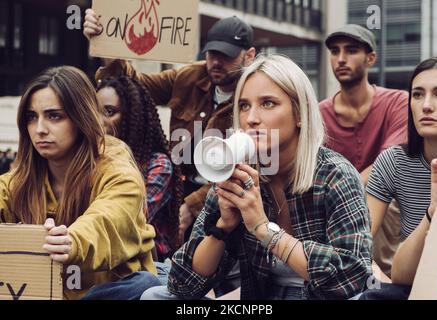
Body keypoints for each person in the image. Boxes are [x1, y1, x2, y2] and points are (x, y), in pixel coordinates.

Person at [141, 54, 372, 300]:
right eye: (244, 106)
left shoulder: (334, 174)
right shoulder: (237, 174)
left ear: (299, 114)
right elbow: (181, 285)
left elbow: (353, 276)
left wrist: (264, 230)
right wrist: (223, 228)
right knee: (156, 296)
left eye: (268, 103)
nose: (251, 118)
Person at [84, 12, 257, 242]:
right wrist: (107, 45)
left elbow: (255, 167)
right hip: (177, 190)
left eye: (227, 56)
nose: (216, 62)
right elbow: (135, 87)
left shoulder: (255, 94)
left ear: (249, 56)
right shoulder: (189, 77)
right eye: (212, 53)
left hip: (227, 198)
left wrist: (191, 206)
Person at [0, 66, 160, 300]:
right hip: (41, 294)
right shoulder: (20, 179)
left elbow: (107, 219)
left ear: (81, 118)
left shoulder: (119, 172)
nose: (40, 129)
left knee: (143, 285)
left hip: (111, 293)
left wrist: (72, 242)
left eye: (54, 116)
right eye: (32, 117)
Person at [320, 24, 408, 277]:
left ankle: (387, 280)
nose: (341, 59)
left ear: (370, 58)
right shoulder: (319, 114)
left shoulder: (397, 102)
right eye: (335, 51)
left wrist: (347, 187)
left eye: (351, 50)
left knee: (381, 198)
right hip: (333, 205)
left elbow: (389, 162)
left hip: (387, 205)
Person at [359, 57, 437, 299]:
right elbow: (398, 273)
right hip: (416, 284)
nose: (426, 105)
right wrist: (433, 211)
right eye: (418, 95)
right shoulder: (394, 162)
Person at [96, 76, 183, 262]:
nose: (98, 121)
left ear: (131, 116)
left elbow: (128, 220)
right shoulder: (88, 158)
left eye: (109, 112)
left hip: (146, 264)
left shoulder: (158, 165)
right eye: (93, 111)